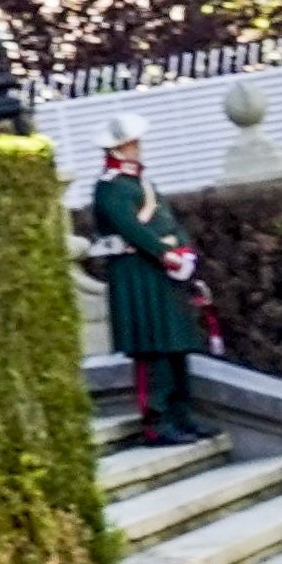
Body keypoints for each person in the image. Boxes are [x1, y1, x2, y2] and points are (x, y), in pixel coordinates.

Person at [86, 115, 207, 445]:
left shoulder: (143, 184)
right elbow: (131, 229)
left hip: (161, 275)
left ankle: (181, 416)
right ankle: (156, 421)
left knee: (174, 347)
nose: (138, 149)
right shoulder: (109, 187)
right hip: (137, 274)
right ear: (118, 150)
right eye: (132, 144)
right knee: (152, 351)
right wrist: (164, 253)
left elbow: (168, 221)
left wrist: (185, 251)